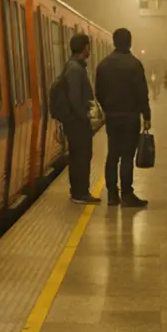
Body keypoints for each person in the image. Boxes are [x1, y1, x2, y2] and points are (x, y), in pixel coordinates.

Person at [95, 28, 150, 207]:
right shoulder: (134, 64)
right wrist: (146, 115)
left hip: (112, 116)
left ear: (114, 42)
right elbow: (142, 93)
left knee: (113, 155)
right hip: (130, 116)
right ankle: (127, 193)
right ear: (130, 42)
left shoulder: (104, 65)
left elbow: (99, 92)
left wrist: (107, 108)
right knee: (127, 156)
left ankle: (112, 194)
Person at [63, 33, 99, 204]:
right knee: (81, 157)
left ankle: (78, 191)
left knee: (78, 156)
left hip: (75, 122)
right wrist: (85, 118)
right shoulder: (75, 70)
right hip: (78, 123)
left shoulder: (73, 66)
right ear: (85, 48)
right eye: (88, 46)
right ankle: (80, 193)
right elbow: (75, 99)